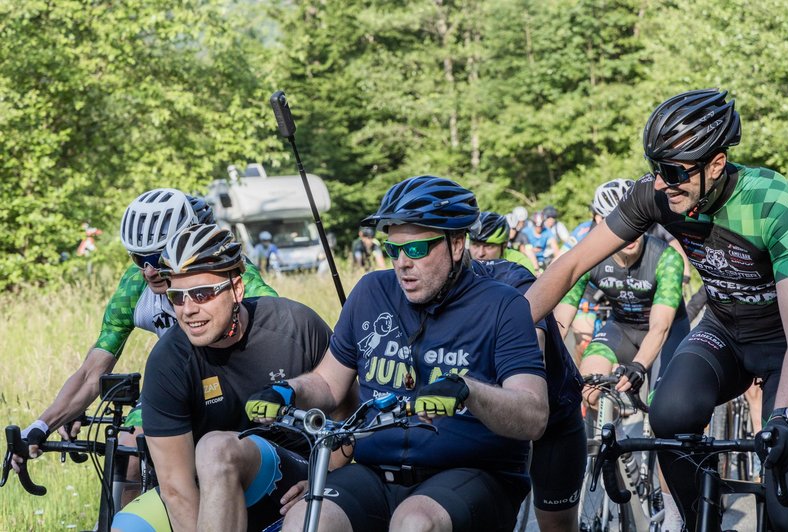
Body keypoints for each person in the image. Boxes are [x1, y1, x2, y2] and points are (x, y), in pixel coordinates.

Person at [525, 88, 788, 531]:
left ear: (716, 164)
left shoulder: (770, 200)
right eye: (655, 167)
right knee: (668, 413)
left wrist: (784, 416)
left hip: (783, 343)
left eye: (672, 171)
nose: (659, 182)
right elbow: (572, 263)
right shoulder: (657, 195)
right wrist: (504, 331)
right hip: (724, 331)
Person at [248, 175, 549, 532]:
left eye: (416, 249)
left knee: (415, 523)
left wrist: (469, 389)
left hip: (471, 474)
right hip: (375, 473)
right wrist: (289, 391)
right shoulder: (371, 292)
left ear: (456, 244)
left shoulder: (503, 305)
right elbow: (328, 383)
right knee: (303, 521)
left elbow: (534, 414)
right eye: (393, 249)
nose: (402, 263)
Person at [12, 188, 278, 505]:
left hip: (237, 381)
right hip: (178, 383)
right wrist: (39, 427)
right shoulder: (136, 284)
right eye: (140, 258)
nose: (149, 270)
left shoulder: (234, 275)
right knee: (127, 453)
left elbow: (280, 331)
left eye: (158, 257)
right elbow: (91, 373)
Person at [115, 223, 339, 532]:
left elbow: (349, 422)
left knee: (216, 448)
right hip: (212, 489)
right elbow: (176, 489)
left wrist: (322, 484)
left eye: (202, 294)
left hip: (291, 478)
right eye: (177, 297)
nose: (188, 310)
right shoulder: (168, 360)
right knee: (129, 525)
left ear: (237, 289)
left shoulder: (295, 325)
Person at [470, 256, 585, 531]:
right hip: (478, 424)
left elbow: (534, 351)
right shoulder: (422, 292)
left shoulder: (514, 280)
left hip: (552, 418)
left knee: (557, 525)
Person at [554, 178, 690, 405]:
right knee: (588, 390)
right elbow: (561, 320)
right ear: (600, 222)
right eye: (618, 222)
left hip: (668, 331)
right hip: (622, 328)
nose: (630, 231)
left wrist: (638, 365)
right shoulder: (589, 257)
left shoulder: (666, 258)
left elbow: (661, 326)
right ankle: (612, 435)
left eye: (637, 220)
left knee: (663, 405)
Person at [468, 211, 537, 274]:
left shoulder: (519, 262)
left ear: (504, 246)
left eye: (489, 246)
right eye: (475, 245)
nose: (480, 253)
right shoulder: (461, 260)